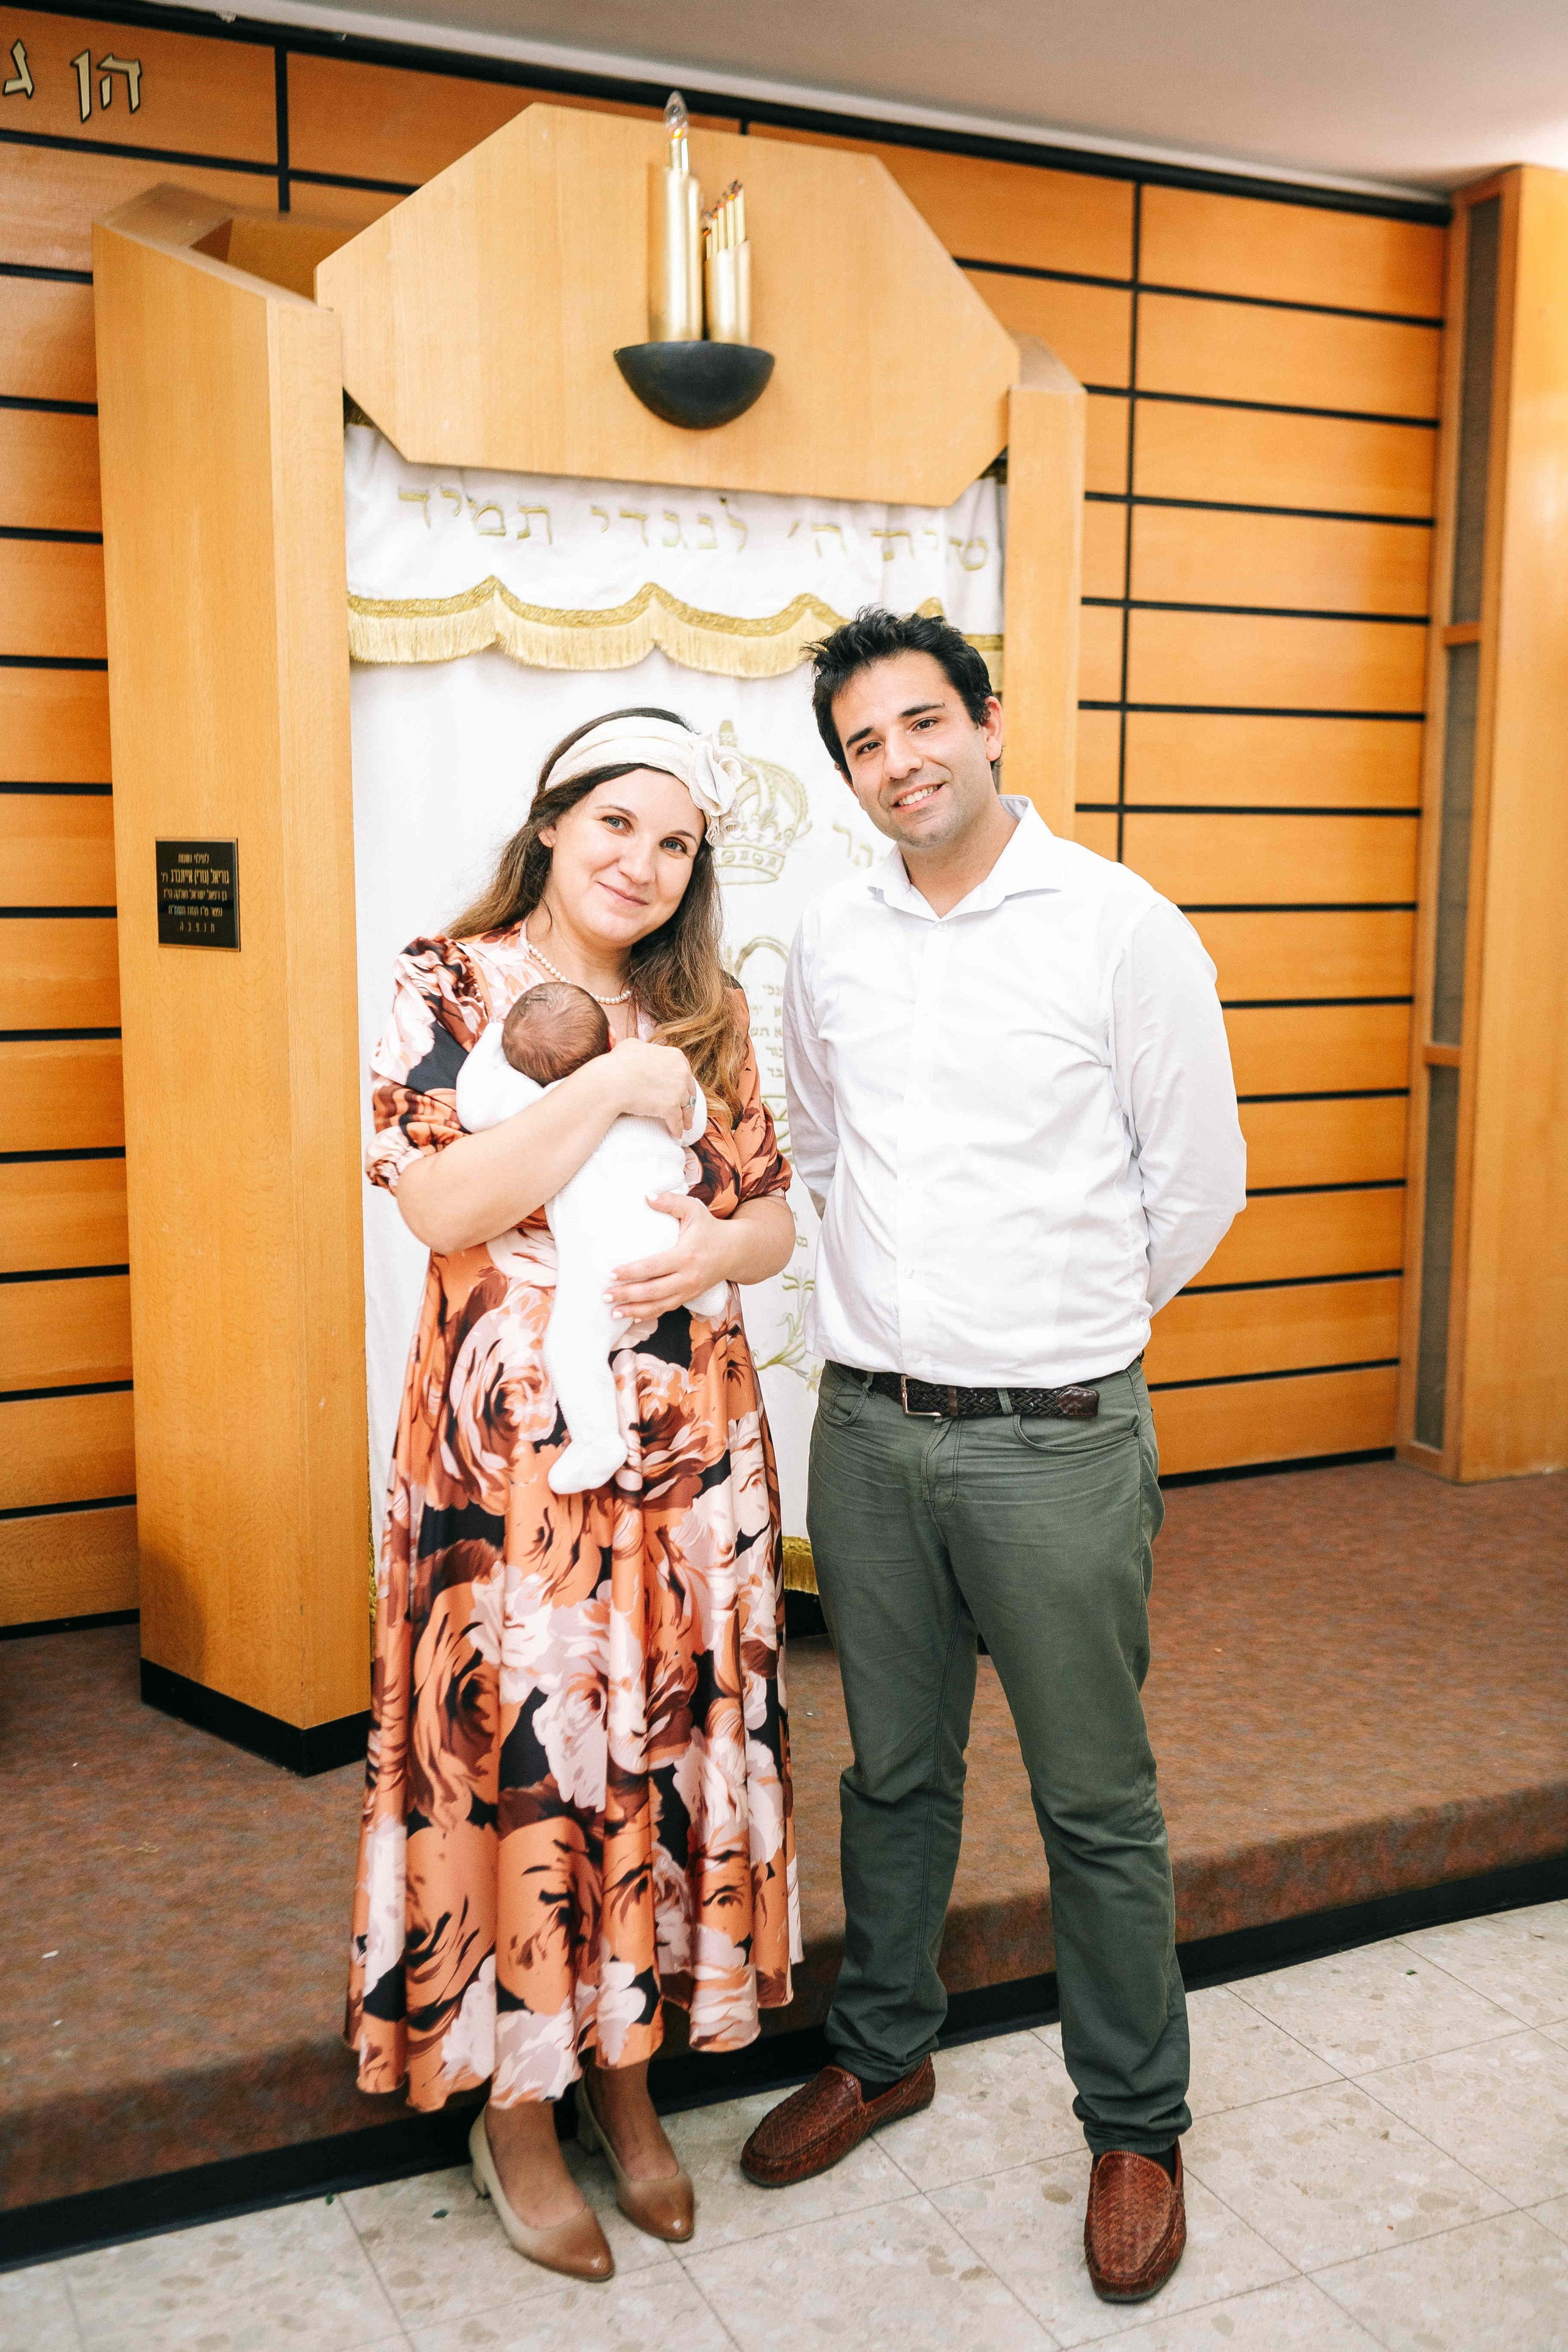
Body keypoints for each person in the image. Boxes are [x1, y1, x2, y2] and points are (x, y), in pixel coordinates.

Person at [747, 609, 1246, 2307]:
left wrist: (1061, 1332)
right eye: (866, 745)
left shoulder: (1119, 928)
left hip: (1054, 1440)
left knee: (1094, 1800)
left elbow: (1197, 1186)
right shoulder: (829, 935)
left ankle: (1135, 2123)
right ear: (848, 775)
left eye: (923, 724)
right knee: (893, 1772)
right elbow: (818, 1142)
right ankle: (883, 2050)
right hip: (871, 1431)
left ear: (990, 721)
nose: (901, 763)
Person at [345, 707, 801, 2285]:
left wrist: (716, 1249)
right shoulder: (441, 977)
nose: (642, 862)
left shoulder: (708, 1005)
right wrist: (611, 1084)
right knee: (528, 1755)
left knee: (650, 1745)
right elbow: (443, 1196)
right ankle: (516, 2104)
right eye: (615, 824)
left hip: (686, 1461)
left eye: (675, 842)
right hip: (507, 1473)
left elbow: (771, 1222)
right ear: (549, 824)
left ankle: (624, 2068)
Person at [454, 979, 728, 1495]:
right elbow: (692, 1127)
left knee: (571, 1346)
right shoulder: (647, 1080)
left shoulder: (536, 1101)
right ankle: (705, 1293)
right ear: (609, 1044)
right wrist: (671, 1075)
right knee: (687, 1258)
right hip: (670, 1229)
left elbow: (473, 1108)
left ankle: (599, 1442)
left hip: (608, 1267)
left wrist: (492, 1038)